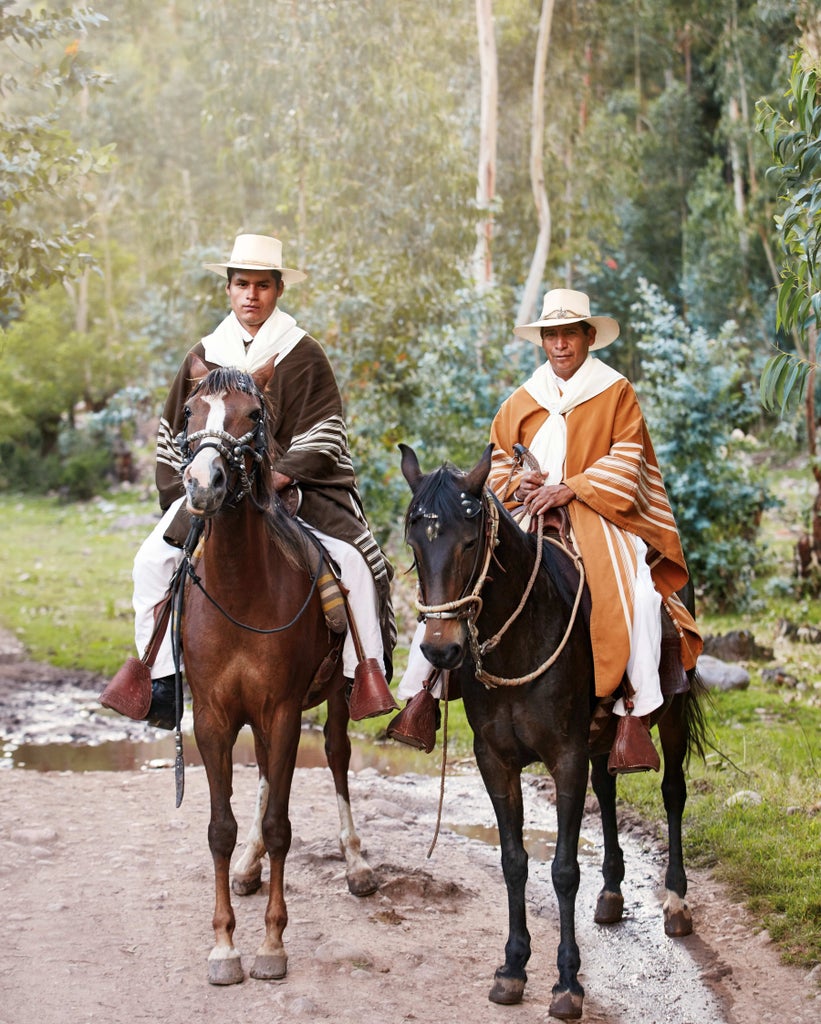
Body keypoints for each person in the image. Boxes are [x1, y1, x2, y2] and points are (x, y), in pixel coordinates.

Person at [394, 287, 701, 771]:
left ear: (588, 336)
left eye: (570, 334)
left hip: (599, 517)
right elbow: (494, 467)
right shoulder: (522, 400)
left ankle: (632, 714)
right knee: (457, 576)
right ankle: (422, 695)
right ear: (543, 341)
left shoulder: (615, 391)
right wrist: (520, 481)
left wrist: (571, 487)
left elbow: (629, 461)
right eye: (552, 335)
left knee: (639, 594)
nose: (560, 344)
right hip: (527, 515)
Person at [103, 233, 396, 727]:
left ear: (279, 289)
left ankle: (360, 678)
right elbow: (173, 433)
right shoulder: (204, 355)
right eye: (242, 284)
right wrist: (189, 490)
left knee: (359, 565)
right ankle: (164, 681)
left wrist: (279, 475)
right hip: (213, 494)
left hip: (293, 493)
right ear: (228, 289)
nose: (251, 295)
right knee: (150, 562)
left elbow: (326, 432)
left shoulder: (303, 353)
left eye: (262, 285)